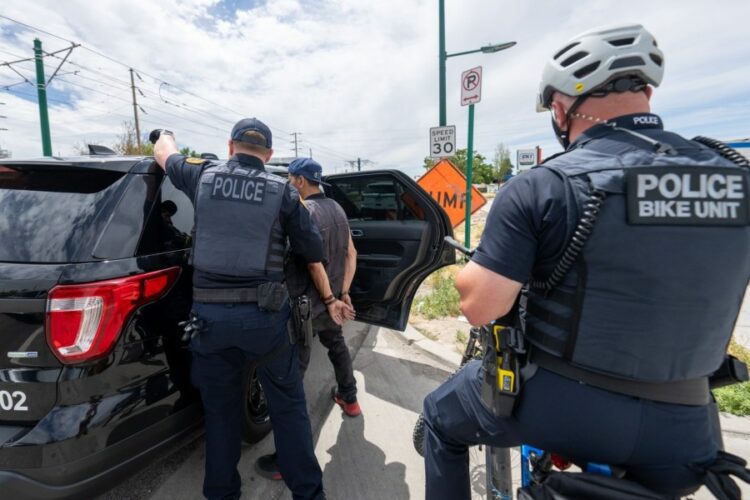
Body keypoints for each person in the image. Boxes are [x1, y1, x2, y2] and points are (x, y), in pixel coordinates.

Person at [422, 24, 750, 499]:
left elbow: (481, 307)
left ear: (561, 107)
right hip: (687, 430)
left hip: (561, 408)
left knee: (439, 418)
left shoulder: (543, 184)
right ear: (648, 91)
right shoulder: (733, 178)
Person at [153, 118, 353, 500]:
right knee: (289, 408)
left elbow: (164, 153)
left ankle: (222, 493)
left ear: (230, 147)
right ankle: (309, 494)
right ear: (270, 155)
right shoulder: (284, 192)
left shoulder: (204, 176)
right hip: (266, 323)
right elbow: (312, 252)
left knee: (221, 414)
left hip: (209, 325)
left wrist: (164, 135)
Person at [256, 157, 361, 481]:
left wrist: (329, 298)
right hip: (330, 302)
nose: (289, 184)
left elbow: (310, 263)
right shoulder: (338, 210)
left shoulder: (304, 212)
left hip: (306, 305)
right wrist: (343, 293)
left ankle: (289, 460)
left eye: (290, 179)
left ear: (300, 181)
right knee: (336, 346)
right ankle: (350, 397)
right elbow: (351, 254)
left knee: (292, 377)